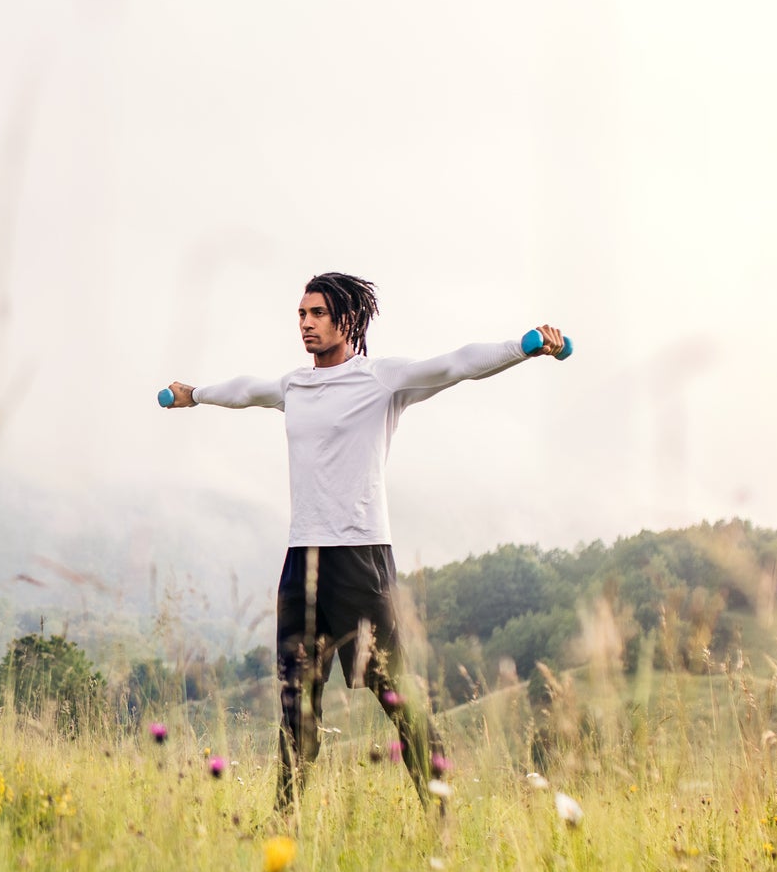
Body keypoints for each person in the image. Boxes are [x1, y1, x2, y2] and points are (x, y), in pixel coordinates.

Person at [165, 272, 565, 810]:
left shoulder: (380, 380)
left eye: (318, 314)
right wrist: (196, 395)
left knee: (398, 698)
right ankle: (287, 826)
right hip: (300, 561)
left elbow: (455, 364)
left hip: (360, 559)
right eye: (301, 315)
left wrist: (524, 346)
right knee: (295, 707)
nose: (306, 324)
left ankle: (441, 814)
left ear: (347, 320)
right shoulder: (294, 387)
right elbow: (245, 390)